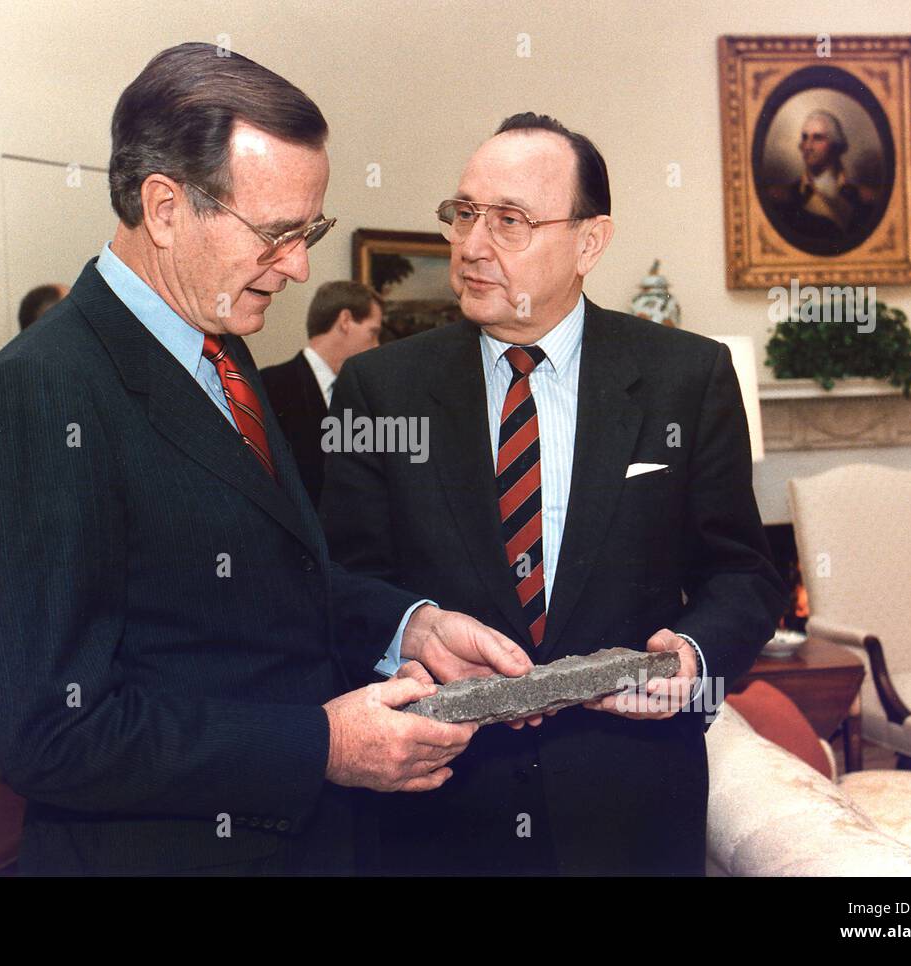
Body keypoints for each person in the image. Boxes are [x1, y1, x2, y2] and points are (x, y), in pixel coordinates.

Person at [0, 42, 536, 876]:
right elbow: (54, 735)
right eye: (277, 233)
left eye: (310, 231)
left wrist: (413, 626)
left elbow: (275, 578)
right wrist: (320, 744)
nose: (298, 266)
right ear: (163, 207)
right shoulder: (43, 393)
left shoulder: (222, 351)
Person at [321, 112, 786, 874]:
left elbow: (744, 573)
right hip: (439, 808)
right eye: (463, 214)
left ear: (589, 242)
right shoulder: (379, 390)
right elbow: (337, 581)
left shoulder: (686, 379)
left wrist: (695, 657)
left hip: (632, 807)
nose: (471, 246)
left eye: (509, 222)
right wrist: (412, 628)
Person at [260, 281, 383, 506]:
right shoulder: (267, 387)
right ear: (345, 321)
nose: (377, 346)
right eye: (373, 333)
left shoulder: (367, 396)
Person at [763, 109, 878, 254]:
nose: (808, 146)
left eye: (817, 138)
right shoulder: (781, 198)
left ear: (836, 145)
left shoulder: (865, 198)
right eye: (805, 138)